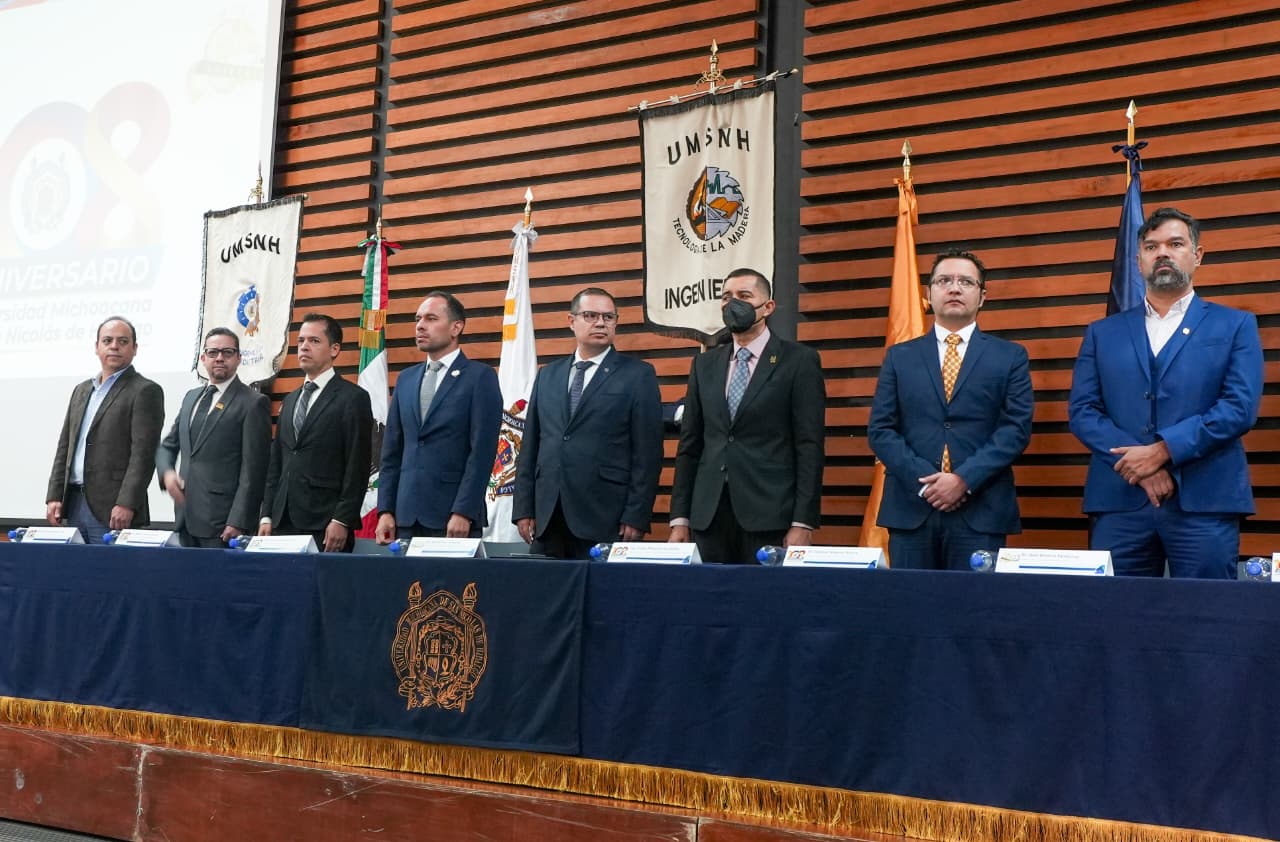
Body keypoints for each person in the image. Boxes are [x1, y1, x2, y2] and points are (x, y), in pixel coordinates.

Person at [1069, 207, 1262, 578]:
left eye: (1175, 244)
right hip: (1120, 500)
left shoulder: (1235, 325)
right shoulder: (1102, 333)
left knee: (1205, 609)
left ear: (1197, 255)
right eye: (1151, 246)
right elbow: (1083, 412)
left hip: (1204, 501)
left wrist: (1161, 452)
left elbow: (1239, 408)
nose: (1162, 253)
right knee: (1117, 610)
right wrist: (1139, 468)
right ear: (1138, 260)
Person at [868, 249, 1034, 570]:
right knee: (912, 601)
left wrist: (963, 479)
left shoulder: (1010, 356)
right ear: (929, 294)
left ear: (982, 296)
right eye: (944, 281)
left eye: (966, 282)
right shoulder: (899, 357)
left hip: (981, 509)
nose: (955, 288)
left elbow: (1015, 429)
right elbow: (881, 430)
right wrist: (926, 483)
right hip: (911, 508)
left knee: (974, 602)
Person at [668, 268, 826, 563]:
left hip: (770, 514)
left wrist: (803, 522)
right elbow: (690, 445)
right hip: (708, 515)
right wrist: (680, 518)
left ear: (768, 307)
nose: (733, 304)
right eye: (726, 297)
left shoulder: (799, 361)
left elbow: (809, 446)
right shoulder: (704, 365)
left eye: (744, 296)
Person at [512, 288, 663, 558]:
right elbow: (531, 446)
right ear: (571, 321)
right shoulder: (548, 375)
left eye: (608, 317)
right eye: (591, 315)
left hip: (605, 514)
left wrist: (636, 514)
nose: (601, 323)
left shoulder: (638, 375)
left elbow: (647, 454)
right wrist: (523, 508)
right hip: (548, 515)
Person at [375, 291, 502, 543]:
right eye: (418, 319)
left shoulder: (479, 377)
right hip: (405, 518)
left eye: (431, 318)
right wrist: (385, 510)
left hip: (453, 517)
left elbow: (482, 453)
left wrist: (464, 511)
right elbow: (391, 452)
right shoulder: (406, 379)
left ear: (456, 327)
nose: (420, 326)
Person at [46, 316, 165, 543]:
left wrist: (127, 503)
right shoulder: (81, 390)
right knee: (74, 566)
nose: (114, 346)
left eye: (123, 341)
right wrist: (54, 495)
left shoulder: (145, 391)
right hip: (73, 502)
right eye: (107, 340)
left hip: (113, 509)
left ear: (135, 348)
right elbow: (65, 446)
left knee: (108, 566)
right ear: (97, 347)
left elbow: (144, 455)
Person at [260, 313, 373, 553]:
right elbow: (276, 463)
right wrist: (266, 515)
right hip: (282, 520)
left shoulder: (353, 398)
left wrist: (342, 519)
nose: (304, 347)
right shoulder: (290, 400)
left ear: (334, 349)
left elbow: (357, 465)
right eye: (301, 340)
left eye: (314, 341)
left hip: (325, 522)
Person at [155, 327, 271, 548]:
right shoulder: (191, 398)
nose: (219, 358)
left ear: (238, 358)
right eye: (213, 352)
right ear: (203, 358)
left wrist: (238, 520)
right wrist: (167, 474)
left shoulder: (253, 403)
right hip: (185, 518)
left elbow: (254, 470)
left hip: (224, 525)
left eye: (227, 352)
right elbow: (167, 447)